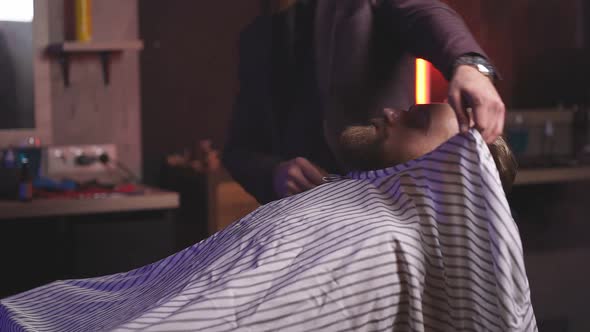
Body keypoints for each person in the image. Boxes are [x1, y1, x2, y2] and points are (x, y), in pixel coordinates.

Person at [0, 103, 535, 331]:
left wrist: (472, 63)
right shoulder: (349, 202)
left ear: (446, 170)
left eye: (417, 118)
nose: (393, 109)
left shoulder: (378, 242)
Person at [223, 0, 506, 204]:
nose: (390, 113)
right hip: (303, 225)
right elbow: (238, 150)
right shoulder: (255, 40)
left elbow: (425, 12)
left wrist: (470, 64)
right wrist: (274, 173)